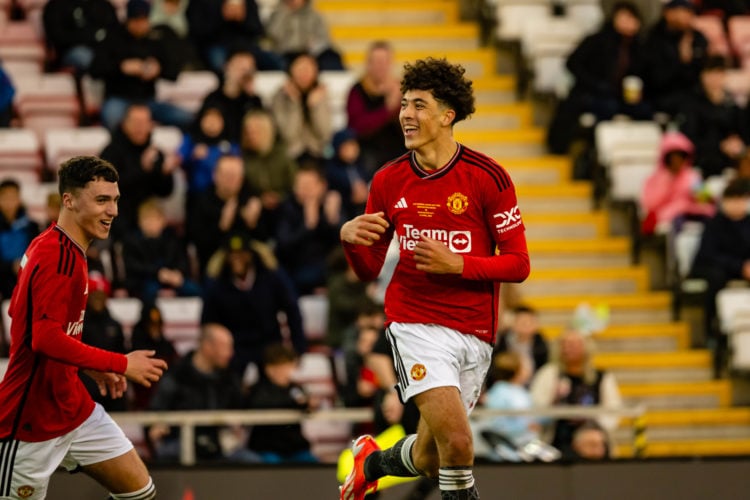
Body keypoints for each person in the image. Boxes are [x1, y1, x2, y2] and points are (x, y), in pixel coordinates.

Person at [339, 57, 530, 500]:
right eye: (405, 104)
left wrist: (458, 265)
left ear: (448, 116)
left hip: (475, 331)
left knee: (431, 458)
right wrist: (349, 239)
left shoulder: (489, 177)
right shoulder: (388, 181)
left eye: (419, 105)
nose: (407, 113)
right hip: (415, 324)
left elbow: (519, 264)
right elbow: (369, 270)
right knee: (461, 445)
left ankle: (371, 462)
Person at [0, 155, 167, 500]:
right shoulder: (56, 257)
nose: (113, 211)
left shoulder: (57, 246)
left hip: (74, 407)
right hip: (30, 421)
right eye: (102, 200)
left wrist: (87, 366)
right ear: (69, 200)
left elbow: (20, 314)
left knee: (140, 493)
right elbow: (44, 338)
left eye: (116, 200)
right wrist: (120, 363)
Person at [546, 1, 650, 155]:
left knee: (645, 111)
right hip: (591, 93)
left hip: (621, 96)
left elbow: (645, 75)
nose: (628, 22)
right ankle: (592, 151)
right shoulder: (597, 40)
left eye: (632, 18)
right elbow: (573, 63)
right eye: (624, 17)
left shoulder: (639, 48)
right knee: (608, 108)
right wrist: (595, 85)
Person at [201, 232, 307, 379]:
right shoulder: (216, 284)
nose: (237, 258)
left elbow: (293, 311)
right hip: (234, 347)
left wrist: (298, 349)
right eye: (232, 254)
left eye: (241, 254)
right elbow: (208, 322)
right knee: (228, 383)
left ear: (250, 254)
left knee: (276, 381)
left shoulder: (272, 277)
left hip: (269, 343)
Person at [147, 323, 247, 463]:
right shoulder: (177, 375)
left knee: (248, 459)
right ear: (207, 346)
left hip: (219, 445)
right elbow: (156, 411)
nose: (230, 353)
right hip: (180, 442)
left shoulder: (230, 378)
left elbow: (241, 411)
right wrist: (157, 426)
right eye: (225, 347)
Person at [89, 0, 192, 131]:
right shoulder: (113, 38)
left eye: (144, 20)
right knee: (112, 118)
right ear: (128, 20)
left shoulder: (156, 38)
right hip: (119, 98)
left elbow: (174, 72)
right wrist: (121, 67)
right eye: (136, 20)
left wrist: (159, 69)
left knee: (185, 118)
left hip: (147, 101)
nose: (140, 25)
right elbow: (94, 70)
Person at [529, 330, 622, 457]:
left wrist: (593, 431)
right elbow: (536, 407)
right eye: (566, 344)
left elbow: (613, 410)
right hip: (557, 439)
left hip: (593, 437)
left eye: (575, 344)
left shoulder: (601, 377)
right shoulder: (549, 374)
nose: (570, 348)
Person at [99, 103, 178, 239]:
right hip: (119, 217)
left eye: (144, 123)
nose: (140, 127)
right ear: (124, 124)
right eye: (136, 122)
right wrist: (142, 169)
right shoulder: (110, 153)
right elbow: (107, 190)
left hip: (148, 217)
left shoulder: (154, 152)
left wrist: (165, 174)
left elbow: (165, 192)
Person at [689, 179, 750, 351]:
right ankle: (713, 331)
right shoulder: (714, 224)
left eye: (741, 198)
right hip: (713, 269)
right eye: (733, 198)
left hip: (742, 269)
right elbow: (708, 255)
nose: (737, 203)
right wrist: (739, 266)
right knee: (717, 278)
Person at [275, 158, 344, 295]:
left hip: (329, 271)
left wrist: (333, 221)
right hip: (297, 270)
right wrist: (307, 227)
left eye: (308, 186)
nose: (303, 191)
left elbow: (344, 243)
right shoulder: (287, 207)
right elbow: (283, 246)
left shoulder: (330, 204)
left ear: (322, 186)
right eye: (299, 186)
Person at [185, 154, 262, 276]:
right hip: (216, 269)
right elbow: (198, 243)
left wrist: (253, 224)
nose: (232, 180)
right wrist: (221, 226)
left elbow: (266, 240)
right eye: (227, 175)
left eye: (236, 176)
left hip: (251, 269)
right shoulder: (201, 202)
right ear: (215, 175)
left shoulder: (251, 200)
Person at [244, 343, 319, 463]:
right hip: (268, 448)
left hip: (295, 448)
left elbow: (307, 405)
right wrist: (296, 404)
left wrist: (311, 404)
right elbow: (262, 405)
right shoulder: (259, 390)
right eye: (281, 367)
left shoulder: (296, 389)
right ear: (269, 369)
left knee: (311, 462)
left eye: (289, 366)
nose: (286, 371)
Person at [121, 198, 201, 303]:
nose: (151, 223)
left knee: (195, 290)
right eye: (146, 219)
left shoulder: (172, 238)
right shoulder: (132, 241)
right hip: (144, 280)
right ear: (139, 222)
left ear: (163, 221)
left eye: (155, 219)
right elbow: (133, 266)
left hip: (171, 278)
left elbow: (182, 260)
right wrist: (158, 273)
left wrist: (176, 274)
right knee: (150, 291)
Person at [680, 56, 746, 180]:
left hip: (729, 165)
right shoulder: (692, 103)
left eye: (719, 73)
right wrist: (719, 146)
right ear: (702, 75)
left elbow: (742, 133)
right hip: (700, 165)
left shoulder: (733, 106)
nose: (715, 78)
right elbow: (688, 139)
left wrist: (736, 144)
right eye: (711, 73)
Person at [346, 41, 405, 177]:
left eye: (384, 61)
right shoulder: (357, 90)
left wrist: (399, 103)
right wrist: (387, 109)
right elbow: (357, 127)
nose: (381, 66)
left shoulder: (400, 90)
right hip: (367, 152)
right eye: (376, 61)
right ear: (368, 63)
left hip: (398, 152)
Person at [640, 131, 716, 236]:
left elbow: (706, 199)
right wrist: (667, 185)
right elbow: (650, 205)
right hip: (670, 216)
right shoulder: (657, 178)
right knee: (678, 223)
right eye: (673, 158)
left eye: (680, 157)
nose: (677, 161)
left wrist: (699, 195)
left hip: (694, 213)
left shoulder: (692, 176)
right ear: (666, 158)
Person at [641, 0, 708, 118]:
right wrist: (682, 61)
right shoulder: (653, 37)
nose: (686, 16)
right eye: (682, 11)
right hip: (660, 95)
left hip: (692, 93)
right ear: (668, 13)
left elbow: (702, 71)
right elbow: (656, 78)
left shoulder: (697, 37)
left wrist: (688, 62)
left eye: (689, 12)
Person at [185, 0, 283, 74]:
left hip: (245, 46)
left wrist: (243, 18)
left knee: (278, 63)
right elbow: (197, 31)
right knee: (220, 66)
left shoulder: (245, 2)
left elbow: (257, 30)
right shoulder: (200, 2)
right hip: (214, 45)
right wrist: (222, 15)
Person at [79, 271, 128, 413]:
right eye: (94, 296)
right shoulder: (78, 323)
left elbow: (121, 353)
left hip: (110, 381)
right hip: (85, 380)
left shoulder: (114, 325)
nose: (98, 300)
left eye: (101, 296)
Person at [270, 52, 333, 160]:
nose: (305, 72)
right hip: (290, 155)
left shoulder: (320, 94)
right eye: (300, 68)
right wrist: (295, 103)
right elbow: (288, 135)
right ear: (291, 70)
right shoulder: (280, 96)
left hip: (317, 154)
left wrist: (315, 106)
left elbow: (324, 134)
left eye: (309, 67)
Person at [200, 49, 265, 144]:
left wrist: (250, 98)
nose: (244, 73)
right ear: (227, 67)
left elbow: (261, 133)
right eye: (240, 67)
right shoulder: (213, 98)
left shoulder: (253, 101)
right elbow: (203, 132)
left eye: (249, 68)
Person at [42, 0, 120, 74]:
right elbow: (58, 37)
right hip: (71, 51)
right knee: (86, 56)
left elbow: (115, 30)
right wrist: (89, 37)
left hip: (103, 48)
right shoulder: (56, 5)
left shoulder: (102, 5)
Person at [265, 0, 345, 71]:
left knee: (331, 58)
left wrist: (312, 47)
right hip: (284, 55)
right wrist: (284, 13)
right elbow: (272, 36)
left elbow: (324, 40)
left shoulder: (315, 16)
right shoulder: (277, 15)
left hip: (310, 54)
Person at [130, 302, 178, 410]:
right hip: (145, 400)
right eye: (151, 324)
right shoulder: (137, 347)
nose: (154, 329)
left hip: (166, 400)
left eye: (157, 324)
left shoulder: (167, 346)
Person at [0, 179, 40, 300]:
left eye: (13, 197)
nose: (9, 202)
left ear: (19, 199)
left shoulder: (32, 226)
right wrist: (11, 266)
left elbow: (37, 255)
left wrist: (23, 265)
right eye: (5, 197)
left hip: (26, 278)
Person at [493, 305, 549, 381]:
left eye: (530, 322)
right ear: (513, 323)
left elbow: (543, 368)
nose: (526, 325)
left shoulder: (541, 344)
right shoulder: (504, 341)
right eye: (522, 322)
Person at [326, 128, 369, 218]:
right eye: (346, 147)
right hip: (345, 210)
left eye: (353, 145)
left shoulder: (362, 164)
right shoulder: (332, 169)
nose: (351, 150)